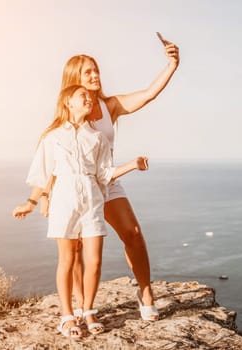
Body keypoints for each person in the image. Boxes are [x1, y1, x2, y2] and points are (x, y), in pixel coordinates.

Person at [40, 35, 179, 322]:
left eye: (96, 70)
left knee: (133, 233)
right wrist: (45, 195)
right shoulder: (66, 115)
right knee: (75, 247)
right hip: (75, 188)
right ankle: (81, 304)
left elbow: (149, 93)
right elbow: (51, 160)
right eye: (88, 71)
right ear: (73, 80)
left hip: (108, 181)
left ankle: (145, 291)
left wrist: (172, 64)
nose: (95, 75)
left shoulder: (109, 106)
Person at [12, 85, 149, 338]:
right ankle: (66, 315)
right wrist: (30, 204)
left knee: (94, 261)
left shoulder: (98, 138)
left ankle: (88, 310)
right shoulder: (52, 137)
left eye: (90, 96)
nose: (89, 99)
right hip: (63, 201)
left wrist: (132, 165)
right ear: (68, 103)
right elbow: (42, 175)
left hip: (92, 200)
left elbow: (104, 174)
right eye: (82, 96)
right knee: (68, 259)